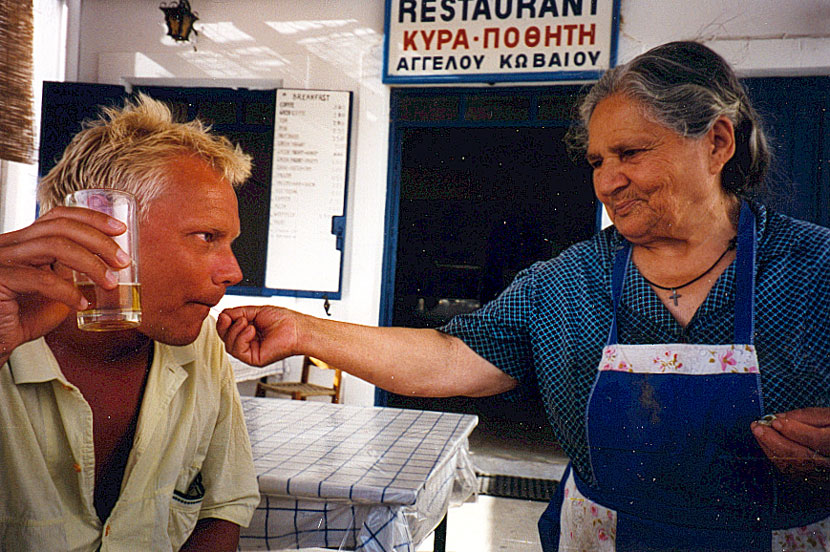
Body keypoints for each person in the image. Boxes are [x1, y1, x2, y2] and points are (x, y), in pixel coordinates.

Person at [218, 41, 830, 550]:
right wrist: (304, 330)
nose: (607, 181)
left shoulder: (814, 269)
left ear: (718, 143)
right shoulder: (569, 281)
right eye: (597, 160)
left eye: (631, 153)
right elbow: (452, 356)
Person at [0, 94, 260, 551]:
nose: (233, 271)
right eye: (207, 237)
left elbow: (222, 510)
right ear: (103, 226)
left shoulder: (201, 349)